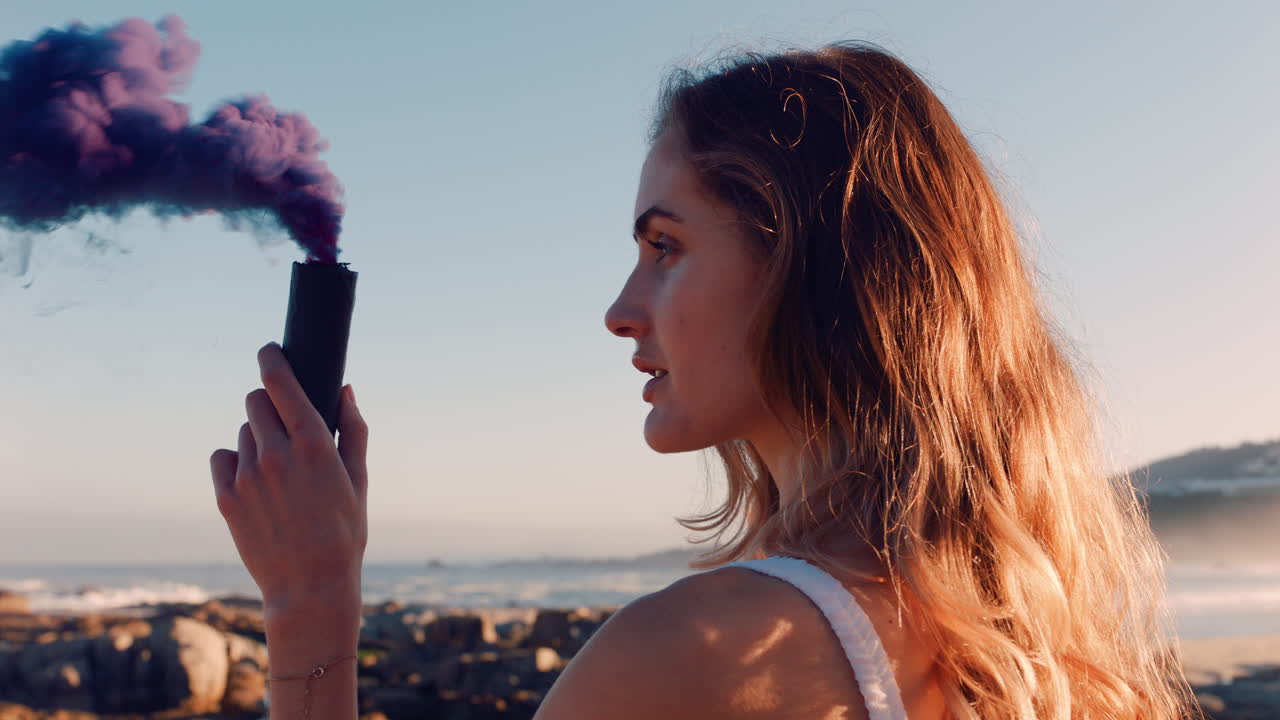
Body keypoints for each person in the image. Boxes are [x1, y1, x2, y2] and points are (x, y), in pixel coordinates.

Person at [210, 42, 1201, 719]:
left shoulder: (696, 654)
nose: (619, 309)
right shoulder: (1019, 646)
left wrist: (310, 607)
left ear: (814, 266)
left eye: (665, 246)